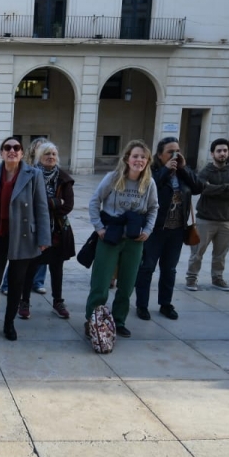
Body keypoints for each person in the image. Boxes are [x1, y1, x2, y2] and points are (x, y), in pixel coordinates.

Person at [0, 136, 51, 345]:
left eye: (16, 148)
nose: (12, 151)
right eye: (7, 147)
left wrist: (43, 237)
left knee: (17, 283)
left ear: (21, 153)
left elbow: (41, 207)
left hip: (23, 236)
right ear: (1, 152)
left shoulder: (33, 174)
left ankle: (9, 323)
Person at [85, 140, 158, 338]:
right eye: (135, 156)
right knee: (100, 283)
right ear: (127, 158)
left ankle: (118, 320)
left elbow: (153, 208)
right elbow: (95, 202)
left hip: (134, 239)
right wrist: (99, 227)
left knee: (127, 284)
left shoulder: (148, 182)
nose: (139, 160)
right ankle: (93, 320)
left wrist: (148, 230)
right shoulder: (113, 178)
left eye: (143, 157)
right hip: (111, 236)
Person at [136, 137, 203, 321]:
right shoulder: (153, 172)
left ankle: (166, 304)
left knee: (169, 269)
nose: (175, 155)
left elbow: (198, 187)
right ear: (159, 155)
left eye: (177, 151)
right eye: (170, 152)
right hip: (155, 229)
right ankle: (142, 305)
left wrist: (182, 168)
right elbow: (148, 188)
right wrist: (166, 170)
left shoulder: (183, 173)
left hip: (177, 230)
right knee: (147, 267)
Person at [18, 142, 73, 320]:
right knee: (30, 267)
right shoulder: (30, 175)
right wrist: (55, 202)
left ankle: (58, 301)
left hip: (56, 230)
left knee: (57, 268)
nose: (51, 157)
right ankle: (24, 301)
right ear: (39, 157)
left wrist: (45, 204)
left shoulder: (63, 178)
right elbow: (27, 203)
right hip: (35, 230)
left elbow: (68, 205)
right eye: (47, 154)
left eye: (54, 154)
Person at [186, 138, 229, 293]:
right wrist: (225, 187)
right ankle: (191, 278)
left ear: (228, 152)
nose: (222, 153)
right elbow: (202, 188)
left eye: (225, 150)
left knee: (221, 254)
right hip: (205, 219)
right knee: (197, 253)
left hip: (226, 221)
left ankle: (217, 278)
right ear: (212, 153)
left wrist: (214, 189)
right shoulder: (206, 171)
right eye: (219, 151)